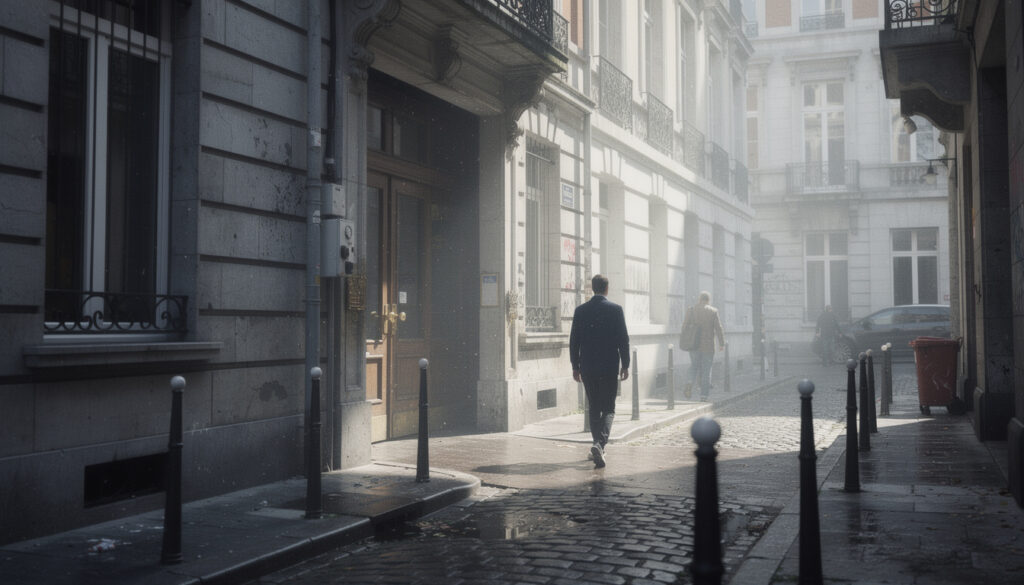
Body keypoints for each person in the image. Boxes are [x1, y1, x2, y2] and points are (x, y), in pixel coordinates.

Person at [569, 274, 630, 469]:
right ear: (606, 289)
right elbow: (623, 340)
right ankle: (600, 444)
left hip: (588, 367)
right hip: (609, 367)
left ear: (593, 288)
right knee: (609, 408)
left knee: (594, 406)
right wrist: (626, 365)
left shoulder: (581, 311)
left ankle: (597, 446)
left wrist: (575, 366)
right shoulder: (616, 310)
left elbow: (574, 341)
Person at [679, 291, 725, 401]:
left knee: (694, 366)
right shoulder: (713, 311)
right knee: (706, 370)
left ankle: (689, 383)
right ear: (708, 300)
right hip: (708, 346)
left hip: (694, 344)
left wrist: (685, 340)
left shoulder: (691, 310)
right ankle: (704, 396)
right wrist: (721, 343)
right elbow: (718, 328)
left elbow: (684, 327)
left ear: (699, 299)